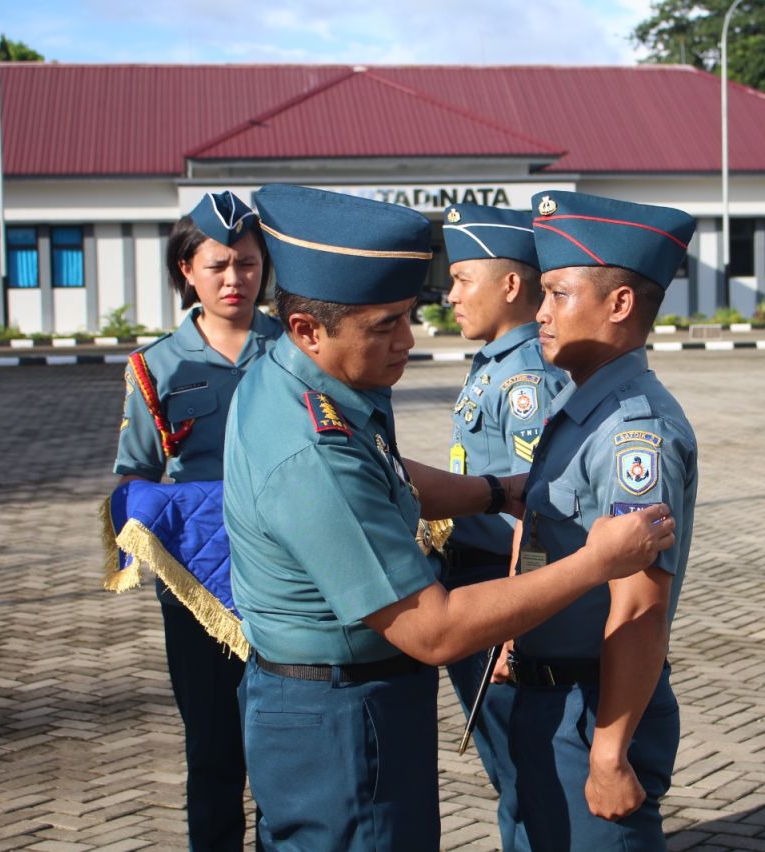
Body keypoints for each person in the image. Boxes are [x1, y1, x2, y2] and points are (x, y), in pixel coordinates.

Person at [222, 183, 676, 851]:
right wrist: (595, 561)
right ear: (307, 329)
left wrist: (496, 491)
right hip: (341, 720)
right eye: (386, 326)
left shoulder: (306, 380)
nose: (409, 340)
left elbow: (389, 480)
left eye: (408, 315)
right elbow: (433, 631)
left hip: (339, 705)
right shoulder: (309, 449)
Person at [495, 191, 699, 850]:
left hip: (590, 712)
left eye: (557, 294)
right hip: (549, 696)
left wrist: (609, 755)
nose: (540, 311)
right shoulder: (580, 404)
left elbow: (639, 607)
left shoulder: (631, 432)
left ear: (618, 304)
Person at [111, 191, 281, 851]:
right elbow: (134, 472)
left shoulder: (296, 351)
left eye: (247, 262)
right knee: (211, 750)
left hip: (287, 577)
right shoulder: (156, 366)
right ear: (187, 269)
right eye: (218, 266)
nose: (235, 279)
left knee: (281, 748)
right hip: (199, 586)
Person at [440, 202, 567, 846]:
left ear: (511, 285)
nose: (450, 294)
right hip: (477, 578)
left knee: (523, 774)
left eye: (463, 278)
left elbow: (533, 511)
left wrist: (517, 630)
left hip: (501, 585)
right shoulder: (493, 361)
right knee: (507, 767)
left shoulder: (524, 379)